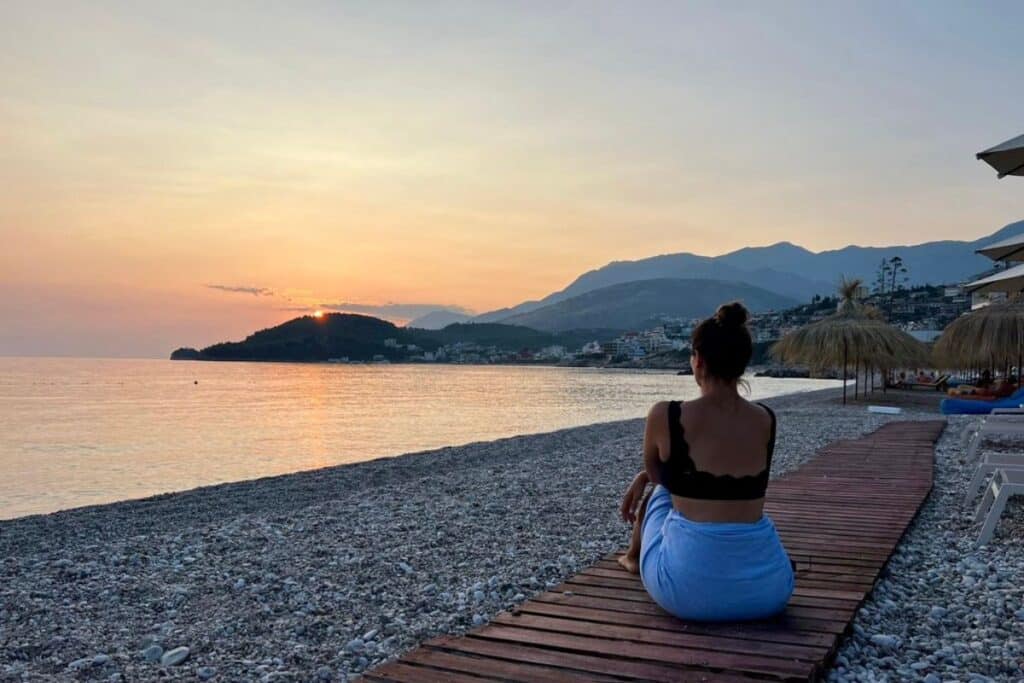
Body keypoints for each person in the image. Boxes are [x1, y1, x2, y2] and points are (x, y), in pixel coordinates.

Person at [617, 302, 794, 622]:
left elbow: (662, 480)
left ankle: (632, 557)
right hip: (769, 590)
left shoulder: (666, 415)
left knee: (661, 494)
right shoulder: (766, 419)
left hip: (687, 592)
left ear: (697, 361)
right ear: (743, 364)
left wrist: (643, 477)